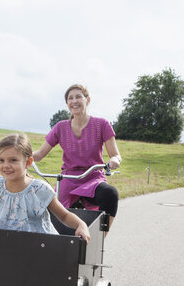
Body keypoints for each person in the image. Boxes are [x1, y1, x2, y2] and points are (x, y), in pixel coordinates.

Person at [0, 133, 91, 242]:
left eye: (13, 160)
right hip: (7, 246)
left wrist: (81, 224)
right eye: (1, 160)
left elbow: (63, 215)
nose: (6, 165)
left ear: (28, 162)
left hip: (42, 247)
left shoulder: (39, 190)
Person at [33, 84, 122, 230]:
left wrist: (114, 161)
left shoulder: (102, 124)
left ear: (88, 100)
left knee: (110, 194)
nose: (74, 101)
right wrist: (22, 155)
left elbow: (115, 155)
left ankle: (99, 238)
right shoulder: (60, 127)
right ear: (67, 104)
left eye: (78, 96)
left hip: (93, 178)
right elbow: (39, 154)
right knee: (47, 205)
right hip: (68, 179)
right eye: (70, 98)